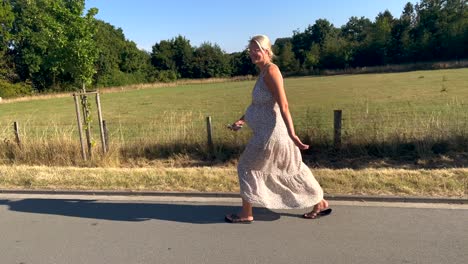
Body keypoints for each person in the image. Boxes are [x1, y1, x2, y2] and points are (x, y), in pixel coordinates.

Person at [225, 35, 331, 223]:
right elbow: (258, 105)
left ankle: (246, 213)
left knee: (246, 167)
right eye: (249, 50)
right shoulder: (263, 72)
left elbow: (284, 105)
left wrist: (293, 135)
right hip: (268, 134)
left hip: (271, 136)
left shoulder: (272, 71)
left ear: (267, 51)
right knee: (292, 169)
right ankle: (320, 202)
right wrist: (242, 120)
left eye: (255, 50)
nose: (251, 53)